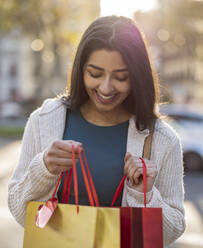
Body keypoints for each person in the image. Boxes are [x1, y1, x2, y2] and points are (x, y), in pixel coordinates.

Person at [8, 15, 185, 247]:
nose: (106, 87)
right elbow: (21, 213)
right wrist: (44, 170)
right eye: (95, 73)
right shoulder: (44, 121)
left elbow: (173, 229)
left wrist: (144, 195)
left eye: (121, 77)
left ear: (137, 77)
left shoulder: (163, 139)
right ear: (81, 70)